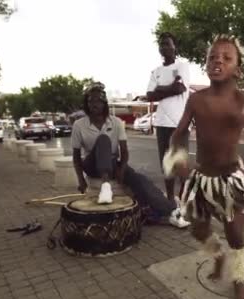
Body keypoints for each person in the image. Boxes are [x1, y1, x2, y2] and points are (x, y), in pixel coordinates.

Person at [166, 35, 244, 299]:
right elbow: (178, 134)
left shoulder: (243, 100)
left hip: (231, 180)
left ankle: (238, 278)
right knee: (198, 229)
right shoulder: (196, 99)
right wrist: (177, 159)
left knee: (235, 236)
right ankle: (217, 255)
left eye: (226, 57)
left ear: (238, 69)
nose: (217, 61)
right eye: (212, 57)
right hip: (202, 180)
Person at [71, 82, 189, 228]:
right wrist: (81, 180)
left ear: (104, 103)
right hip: (91, 163)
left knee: (140, 180)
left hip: (112, 162)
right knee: (103, 139)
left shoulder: (116, 122)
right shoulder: (79, 125)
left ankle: (172, 213)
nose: (93, 104)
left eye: (97, 101)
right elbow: (76, 157)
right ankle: (106, 186)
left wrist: (122, 168)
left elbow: (124, 151)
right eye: (90, 101)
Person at [146, 32, 191, 204]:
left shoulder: (182, 67)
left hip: (179, 123)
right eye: (162, 44)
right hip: (161, 124)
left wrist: (160, 90)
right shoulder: (155, 71)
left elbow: (180, 89)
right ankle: (171, 201)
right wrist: (169, 87)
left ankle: (184, 201)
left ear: (174, 47)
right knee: (167, 165)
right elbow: (149, 95)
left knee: (180, 165)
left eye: (167, 44)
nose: (164, 47)